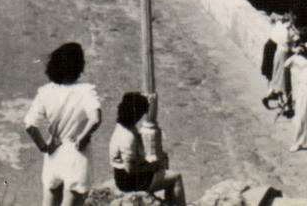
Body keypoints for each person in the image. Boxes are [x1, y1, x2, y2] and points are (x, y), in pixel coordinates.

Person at [24, 42, 102, 206]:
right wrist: (83, 136)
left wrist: (44, 147)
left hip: (54, 154)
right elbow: (95, 118)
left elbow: (30, 125)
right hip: (76, 154)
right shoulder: (85, 91)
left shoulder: (46, 92)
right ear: (79, 66)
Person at [108, 92, 186, 204]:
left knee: (164, 161)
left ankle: (170, 201)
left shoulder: (122, 127)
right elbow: (130, 169)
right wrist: (151, 167)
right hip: (131, 181)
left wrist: (147, 100)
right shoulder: (127, 137)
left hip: (124, 177)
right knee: (176, 177)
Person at [261, 13, 297, 110]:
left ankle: (271, 95)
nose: (292, 25)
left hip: (271, 46)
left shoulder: (279, 24)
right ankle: (275, 97)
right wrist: (295, 47)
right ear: (288, 22)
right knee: (278, 76)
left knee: (273, 75)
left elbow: (274, 17)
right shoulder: (285, 31)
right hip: (275, 49)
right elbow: (286, 46)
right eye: (291, 23)